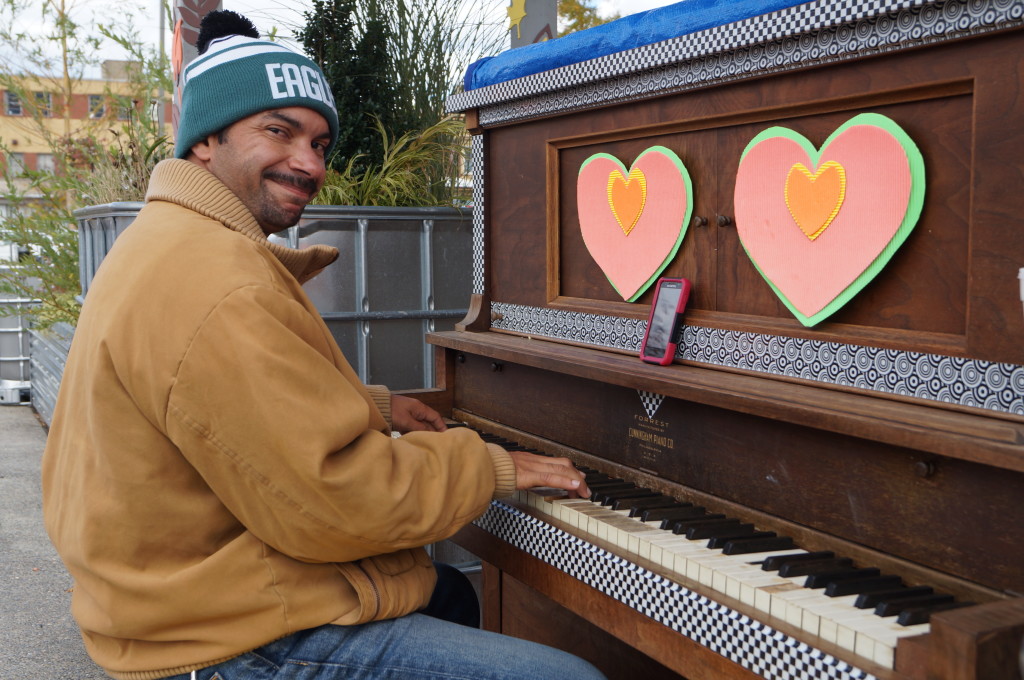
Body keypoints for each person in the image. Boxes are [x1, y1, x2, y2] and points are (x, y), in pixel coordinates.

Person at [41, 11, 604, 680]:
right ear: (204, 141)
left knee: (447, 593)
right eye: (278, 131)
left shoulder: (169, 241)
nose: (309, 163)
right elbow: (333, 499)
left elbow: (221, 406)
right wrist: (491, 467)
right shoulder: (214, 283)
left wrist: (375, 408)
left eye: (321, 142)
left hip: (171, 598)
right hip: (221, 642)